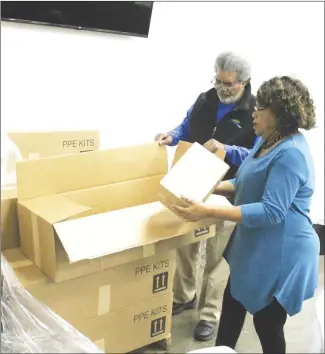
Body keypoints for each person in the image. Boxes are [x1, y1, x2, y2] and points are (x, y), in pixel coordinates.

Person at [170, 76, 320, 354]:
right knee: (231, 309)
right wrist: (209, 186)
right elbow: (244, 182)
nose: (254, 111)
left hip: (281, 253)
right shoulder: (266, 141)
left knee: (267, 325)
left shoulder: (291, 154)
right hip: (253, 246)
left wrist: (207, 210)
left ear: (277, 114)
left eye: (260, 107)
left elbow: (272, 211)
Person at [155, 51, 257, 341]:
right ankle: (185, 295)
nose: (221, 88)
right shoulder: (205, 98)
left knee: (215, 255)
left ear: (244, 82)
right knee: (186, 244)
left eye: (229, 84)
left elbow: (260, 156)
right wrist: (172, 136)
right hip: (193, 183)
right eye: (218, 81)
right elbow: (186, 125)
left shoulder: (256, 111)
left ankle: (209, 313)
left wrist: (227, 148)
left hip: (227, 190)